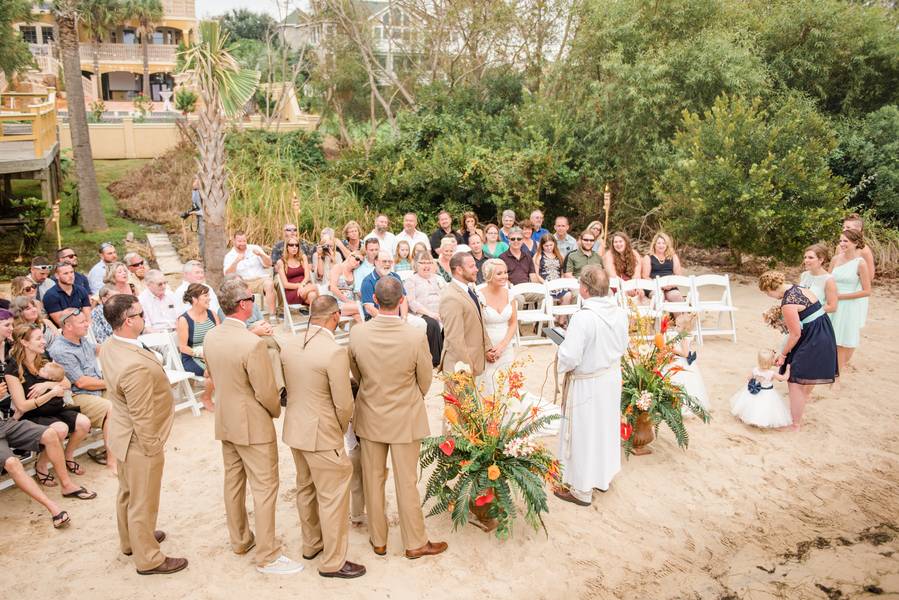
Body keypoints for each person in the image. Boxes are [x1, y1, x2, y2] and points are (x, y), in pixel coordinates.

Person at [203, 279, 302, 575]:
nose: (254, 300)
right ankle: (268, 555)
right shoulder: (251, 343)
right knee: (265, 487)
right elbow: (266, 391)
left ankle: (240, 540)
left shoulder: (211, 336)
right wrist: (274, 411)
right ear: (244, 304)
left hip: (225, 418)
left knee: (233, 482)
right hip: (252, 423)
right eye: (251, 297)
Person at [348, 276, 448, 559]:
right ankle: (415, 542)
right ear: (402, 300)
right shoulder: (415, 335)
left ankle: (378, 539)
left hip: (370, 414)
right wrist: (410, 395)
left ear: (375, 302)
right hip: (405, 415)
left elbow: (356, 371)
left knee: (372, 478)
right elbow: (425, 379)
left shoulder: (358, 333)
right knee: (406, 482)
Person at [100, 294, 187, 575]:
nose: (143, 317)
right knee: (143, 500)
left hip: (121, 432)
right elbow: (141, 413)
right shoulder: (133, 365)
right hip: (139, 439)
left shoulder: (111, 345)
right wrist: (153, 447)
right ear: (128, 321)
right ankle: (149, 558)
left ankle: (131, 541)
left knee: (127, 493)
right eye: (139, 314)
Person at [280, 296, 366, 579]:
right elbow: (344, 404)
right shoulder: (333, 351)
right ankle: (333, 562)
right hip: (322, 432)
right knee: (333, 496)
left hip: (295, 428)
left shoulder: (290, 343)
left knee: (305, 487)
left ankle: (311, 544)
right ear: (335, 316)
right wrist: (340, 429)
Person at [554, 266, 628, 506]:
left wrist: (560, 347)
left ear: (584, 289)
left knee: (584, 432)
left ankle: (581, 489)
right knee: (604, 428)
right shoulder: (619, 312)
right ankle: (602, 478)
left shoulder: (583, 317)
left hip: (587, 383)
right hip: (611, 377)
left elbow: (570, 357)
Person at [5, 323, 93, 488]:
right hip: (33, 413)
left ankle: (68, 456)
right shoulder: (13, 369)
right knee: (60, 429)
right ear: (24, 343)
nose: (44, 341)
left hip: (54, 408)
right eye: (38, 338)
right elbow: (22, 406)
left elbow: (66, 382)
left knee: (84, 423)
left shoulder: (43, 357)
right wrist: (52, 393)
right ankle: (41, 465)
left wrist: (48, 386)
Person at [758, 271, 838, 431]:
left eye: (767, 293)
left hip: (813, 339)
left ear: (771, 288)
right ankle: (797, 415)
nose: (768, 296)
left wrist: (783, 354)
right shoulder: (799, 288)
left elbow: (795, 334)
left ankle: (795, 424)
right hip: (823, 332)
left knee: (794, 381)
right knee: (800, 378)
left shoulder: (787, 303)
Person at [47, 308, 115, 473]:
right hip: (76, 395)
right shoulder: (61, 349)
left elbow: (97, 349)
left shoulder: (81, 339)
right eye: (82, 322)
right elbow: (82, 382)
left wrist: (120, 347)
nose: (87, 324)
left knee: (127, 396)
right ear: (68, 326)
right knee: (111, 408)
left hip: (96, 387)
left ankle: (118, 448)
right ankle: (112, 460)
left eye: (86, 320)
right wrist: (112, 381)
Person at [439, 252, 492, 378]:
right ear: (459, 270)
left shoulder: (469, 290)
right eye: (472, 266)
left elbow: (478, 322)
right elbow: (454, 339)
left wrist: (488, 347)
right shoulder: (451, 297)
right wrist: (467, 366)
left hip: (476, 361)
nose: (476, 269)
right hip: (460, 368)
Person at [828, 229, 871, 375]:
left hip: (847, 305)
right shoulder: (835, 259)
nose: (841, 244)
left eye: (845, 241)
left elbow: (867, 291)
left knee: (840, 342)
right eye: (840, 241)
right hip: (831, 303)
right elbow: (827, 280)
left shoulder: (860, 263)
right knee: (827, 338)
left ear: (856, 243)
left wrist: (840, 297)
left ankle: (837, 376)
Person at [175, 283, 219, 412]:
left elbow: (219, 336)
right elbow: (182, 347)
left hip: (212, 353)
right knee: (213, 370)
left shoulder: (211, 314)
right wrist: (202, 354)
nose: (209, 298)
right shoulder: (184, 319)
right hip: (192, 356)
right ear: (194, 299)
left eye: (208, 295)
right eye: (205, 295)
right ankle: (206, 397)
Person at [478, 259, 517, 396]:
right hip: (486, 348)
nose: (504, 276)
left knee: (505, 385)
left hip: (506, 347)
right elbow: (477, 326)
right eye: (499, 273)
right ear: (488, 276)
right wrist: (487, 349)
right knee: (487, 386)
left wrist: (503, 346)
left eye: (505, 272)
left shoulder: (509, 293)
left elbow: (513, 323)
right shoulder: (478, 295)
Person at [729, 350, 793, 429]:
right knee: (765, 407)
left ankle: (749, 418)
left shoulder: (755, 369)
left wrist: (755, 381)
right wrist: (788, 370)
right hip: (767, 393)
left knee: (752, 405)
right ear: (771, 362)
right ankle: (761, 421)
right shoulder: (771, 373)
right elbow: (784, 378)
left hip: (754, 391)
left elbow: (748, 378)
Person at [405, 253, 445, 367]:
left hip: (440, 312)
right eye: (423, 263)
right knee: (432, 324)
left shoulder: (439, 279)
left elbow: (447, 296)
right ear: (416, 265)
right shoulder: (411, 280)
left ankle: (450, 356)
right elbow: (412, 302)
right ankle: (436, 361)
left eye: (429, 262)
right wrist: (430, 314)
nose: (426, 266)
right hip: (421, 314)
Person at [224, 231, 276, 317]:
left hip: (260, 279)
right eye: (239, 241)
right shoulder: (230, 255)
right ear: (234, 241)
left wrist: (262, 255)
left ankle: (272, 315)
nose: (242, 243)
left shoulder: (254, 248)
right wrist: (236, 261)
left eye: (244, 240)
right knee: (238, 289)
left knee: (269, 284)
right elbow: (227, 274)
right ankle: (246, 316)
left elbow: (269, 263)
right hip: (243, 282)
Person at [666, 313, 709, 415]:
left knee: (680, 382)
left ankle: (681, 405)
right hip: (685, 362)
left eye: (678, 326)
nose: (675, 328)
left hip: (681, 362)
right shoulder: (686, 335)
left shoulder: (683, 338)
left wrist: (673, 350)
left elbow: (685, 353)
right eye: (675, 325)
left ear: (685, 328)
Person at [42, 263, 91, 327]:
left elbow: (87, 317)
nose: (70, 276)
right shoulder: (50, 295)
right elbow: (61, 322)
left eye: (72, 272)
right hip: (62, 331)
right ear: (57, 276)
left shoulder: (81, 290)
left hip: (83, 326)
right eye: (66, 273)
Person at [360, 252, 406, 320]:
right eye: (384, 261)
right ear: (376, 262)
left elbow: (403, 299)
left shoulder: (396, 277)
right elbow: (369, 308)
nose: (387, 264)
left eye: (389, 262)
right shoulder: (368, 281)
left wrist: (404, 318)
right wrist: (388, 320)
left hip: (397, 318)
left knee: (420, 323)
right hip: (376, 319)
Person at [533, 234, 573, 312]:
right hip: (545, 283)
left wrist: (560, 282)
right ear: (542, 245)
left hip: (558, 283)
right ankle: (552, 318)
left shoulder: (560, 255)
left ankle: (560, 319)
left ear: (554, 244)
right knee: (548, 299)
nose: (549, 248)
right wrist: (546, 284)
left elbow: (562, 273)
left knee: (568, 295)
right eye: (546, 246)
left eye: (551, 245)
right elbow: (537, 274)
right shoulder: (538, 256)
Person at [642, 232, 685, 302]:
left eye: (664, 243)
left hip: (670, 286)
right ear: (654, 244)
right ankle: (659, 313)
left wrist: (671, 285)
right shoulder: (648, 257)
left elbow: (679, 276)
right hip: (653, 286)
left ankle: (680, 313)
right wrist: (660, 285)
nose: (661, 245)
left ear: (667, 245)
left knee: (676, 296)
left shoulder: (673, 257)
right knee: (658, 296)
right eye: (659, 243)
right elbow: (645, 276)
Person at [277, 237, 319, 307]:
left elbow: (307, 276)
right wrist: (299, 286)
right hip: (292, 291)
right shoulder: (281, 262)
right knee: (315, 290)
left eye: (296, 245)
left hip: (305, 287)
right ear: (286, 247)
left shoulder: (302, 258)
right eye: (291, 245)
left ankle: (313, 317)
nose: (294, 247)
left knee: (312, 295)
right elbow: (285, 284)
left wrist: (302, 285)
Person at [800, 244, 837, 313]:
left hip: (817, 320)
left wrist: (807, 311)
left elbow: (832, 307)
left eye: (810, 258)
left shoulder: (828, 280)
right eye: (805, 257)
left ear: (821, 260)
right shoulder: (804, 275)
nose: (806, 260)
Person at [329, 251, 363, 323]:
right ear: (350, 256)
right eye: (357, 259)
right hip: (337, 302)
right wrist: (347, 301)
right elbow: (333, 288)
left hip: (351, 303)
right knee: (362, 308)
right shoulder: (338, 267)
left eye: (361, 262)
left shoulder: (355, 272)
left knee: (359, 317)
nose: (358, 262)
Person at [189, 178, 205, 259]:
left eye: (196, 181)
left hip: (205, 220)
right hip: (200, 219)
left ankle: (204, 257)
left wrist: (196, 212)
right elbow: (195, 204)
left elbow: (207, 211)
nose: (194, 183)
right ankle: (202, 257)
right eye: (194, 181)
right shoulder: (195, 192)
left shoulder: (204, 193)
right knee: (200, 239)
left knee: (203, 239)